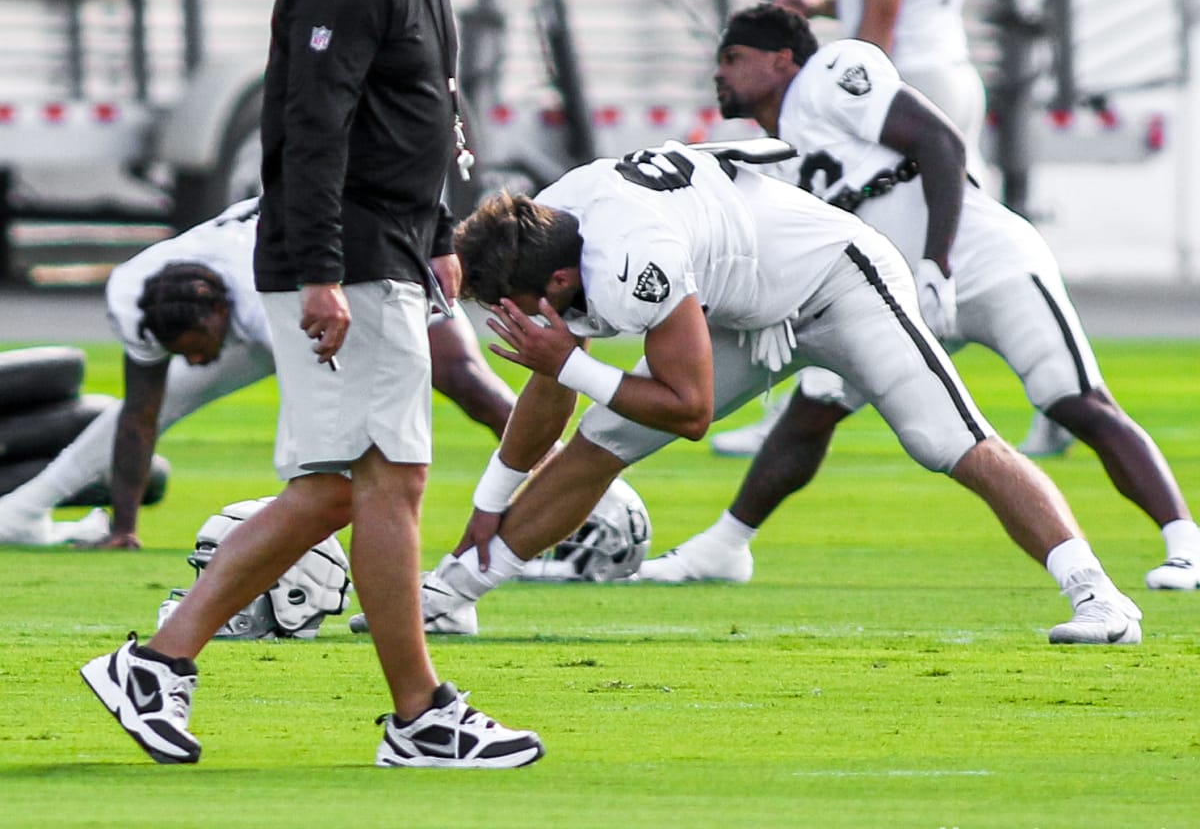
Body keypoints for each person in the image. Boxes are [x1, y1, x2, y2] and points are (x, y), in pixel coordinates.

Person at [80, 0, 543, 769]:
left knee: (347, 487)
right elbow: (313, 127)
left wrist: (436, 234)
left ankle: (158, 664)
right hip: (344, 259)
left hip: (385, 250)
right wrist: (328, 269)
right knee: (393, 481)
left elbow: (412, 115)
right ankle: (419, 717)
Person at [411, 138, 1142, 648]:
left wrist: (571, 361)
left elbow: (690, 411)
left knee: (949, 440)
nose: (512, 321)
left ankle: (1099, 596)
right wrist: (487, 502)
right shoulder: (550, 224)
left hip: (838, 281)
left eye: (517, 305)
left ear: (561, 282)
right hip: (745, 310)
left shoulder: (631, 255)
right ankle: (451, 596)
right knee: (601, 444)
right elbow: (551, 396)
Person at [638, 4, 1200, 593]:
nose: (719, 74)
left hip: (980, 261)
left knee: (1074, 400)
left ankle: (1184, 542)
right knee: (812, 410)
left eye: (732, 58)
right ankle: (724, 548)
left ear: (782, 60)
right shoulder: (773, 155)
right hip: (889, 295)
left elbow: (939, 141)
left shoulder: (831, 73)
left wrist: (938, 260)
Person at [711, 0, 987, 460]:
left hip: (909, 79)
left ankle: (801, 399)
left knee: (847, 251)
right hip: (951, 67)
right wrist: (825, 1)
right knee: (969, 252)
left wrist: (863, 72)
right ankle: (1057, 387)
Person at [0, 198, 516, 548]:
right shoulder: (134, 294)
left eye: (196, 350)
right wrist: (124, 528)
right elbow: (140, 415)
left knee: (464, 381)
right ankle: (26, 509)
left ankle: (580, 495)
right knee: (161, 400)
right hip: (281, 281)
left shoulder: (260, 310)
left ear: (218, 316)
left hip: (357, 270)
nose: (195, 360)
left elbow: (324, 409)